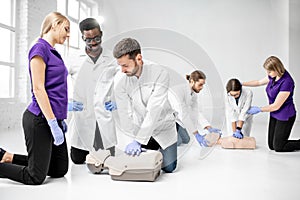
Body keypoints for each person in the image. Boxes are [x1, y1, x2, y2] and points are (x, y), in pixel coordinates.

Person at [0, 12, 70, 185]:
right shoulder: (39, 48)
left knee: (59, 169)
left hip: (53, 118)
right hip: (39, 119)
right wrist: (53, 123)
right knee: (35, 176)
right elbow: (39, 89)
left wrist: (60, 118)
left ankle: (8, 157)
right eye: (66, 29)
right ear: (54, 24)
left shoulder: (54, 52)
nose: (68, 34)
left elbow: (56, 88)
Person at [111, 37, 177, 173]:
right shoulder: (121, 83)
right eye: (120, 66)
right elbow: (124, 115)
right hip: (142, 127)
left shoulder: (160, 74)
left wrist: (139, 140)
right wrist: (130, 140)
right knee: (143, 162)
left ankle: (179, 132)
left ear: (139, 59)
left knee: (169, 168)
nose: (122, 70)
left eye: (125, 65)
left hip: (163, 126)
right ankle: (149, 142)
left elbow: (154, 110)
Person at [67, 18, 118, 164]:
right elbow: (58, 80)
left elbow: (124, 80)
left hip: (104, 113)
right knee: (77, 160)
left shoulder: (112, 59)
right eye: (88, 40)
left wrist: (117, 101)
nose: (93, 43)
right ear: (82, 37)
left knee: (108, 159)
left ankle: (101, 145)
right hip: (82, 114)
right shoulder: (74, 59)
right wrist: (66, 102)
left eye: (97, 38)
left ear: (101, 34)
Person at [244, 55, 300, 152]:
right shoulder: (273, 76)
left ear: (277, 69)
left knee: (279, 147)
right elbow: (258, 82)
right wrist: (241, 83)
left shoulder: (287, 82)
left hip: (285, 115)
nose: (268, 74)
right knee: (272, 146)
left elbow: (276, 106)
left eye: (269, 71)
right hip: (274, 114)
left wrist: (259, 109)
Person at [170, 70, 222, 146]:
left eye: (203, 85)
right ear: (192, 81)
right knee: (177, 142)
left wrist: (208, 127)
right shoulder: (178, 92)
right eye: (200, 84)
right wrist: (196, 134)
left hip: (176, 118)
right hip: (165, 119)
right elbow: (183, 115)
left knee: (186, 140)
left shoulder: (193, 95)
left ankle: (175, 129)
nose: (202, 87)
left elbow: (196, 112)